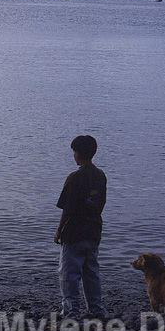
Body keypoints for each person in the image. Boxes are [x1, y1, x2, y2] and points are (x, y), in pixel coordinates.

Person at [54, 135, 108, 318]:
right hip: (93, 230)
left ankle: (71, 310)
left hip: (74, 231)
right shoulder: (101, 176)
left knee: (69, 273)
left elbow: (67, 209)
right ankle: (96, 308)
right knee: (91, 271)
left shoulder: (74, 178)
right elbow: (100, 205)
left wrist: (59, 230)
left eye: (74, 152)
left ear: (78, 154)